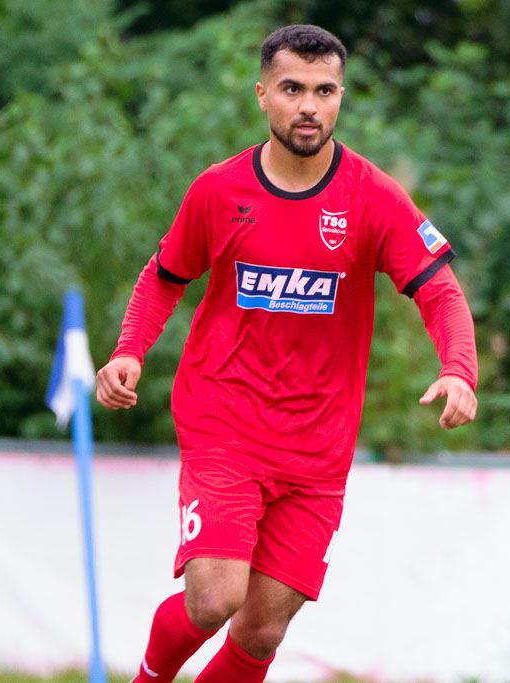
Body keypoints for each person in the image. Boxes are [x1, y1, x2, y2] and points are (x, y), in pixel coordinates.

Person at [96, 24, 478, 683]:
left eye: (325, 90)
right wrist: (129, 349)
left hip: (318, 445)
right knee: (217, 596)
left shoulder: (372, 196)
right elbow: (164, 275)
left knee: (264, 625)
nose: (309, 105)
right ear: (262, 95)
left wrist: (458, 369)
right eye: (293, 89)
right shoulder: (218, 190)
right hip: (225, 420)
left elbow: (438, 288)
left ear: (340, 97)